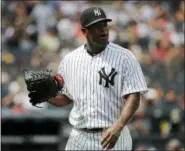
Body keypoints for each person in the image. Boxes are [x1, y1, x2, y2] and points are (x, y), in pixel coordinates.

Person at [48, 7, 148, 150]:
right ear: (84, 31)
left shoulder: (125, 57)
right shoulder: (69, 60)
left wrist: (119, 126)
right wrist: (45, 96)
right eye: (96, 27)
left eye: (105, 25)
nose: (103, 30)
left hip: (114, 135)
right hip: (79, 136)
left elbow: (133, 96)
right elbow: (65, 98)